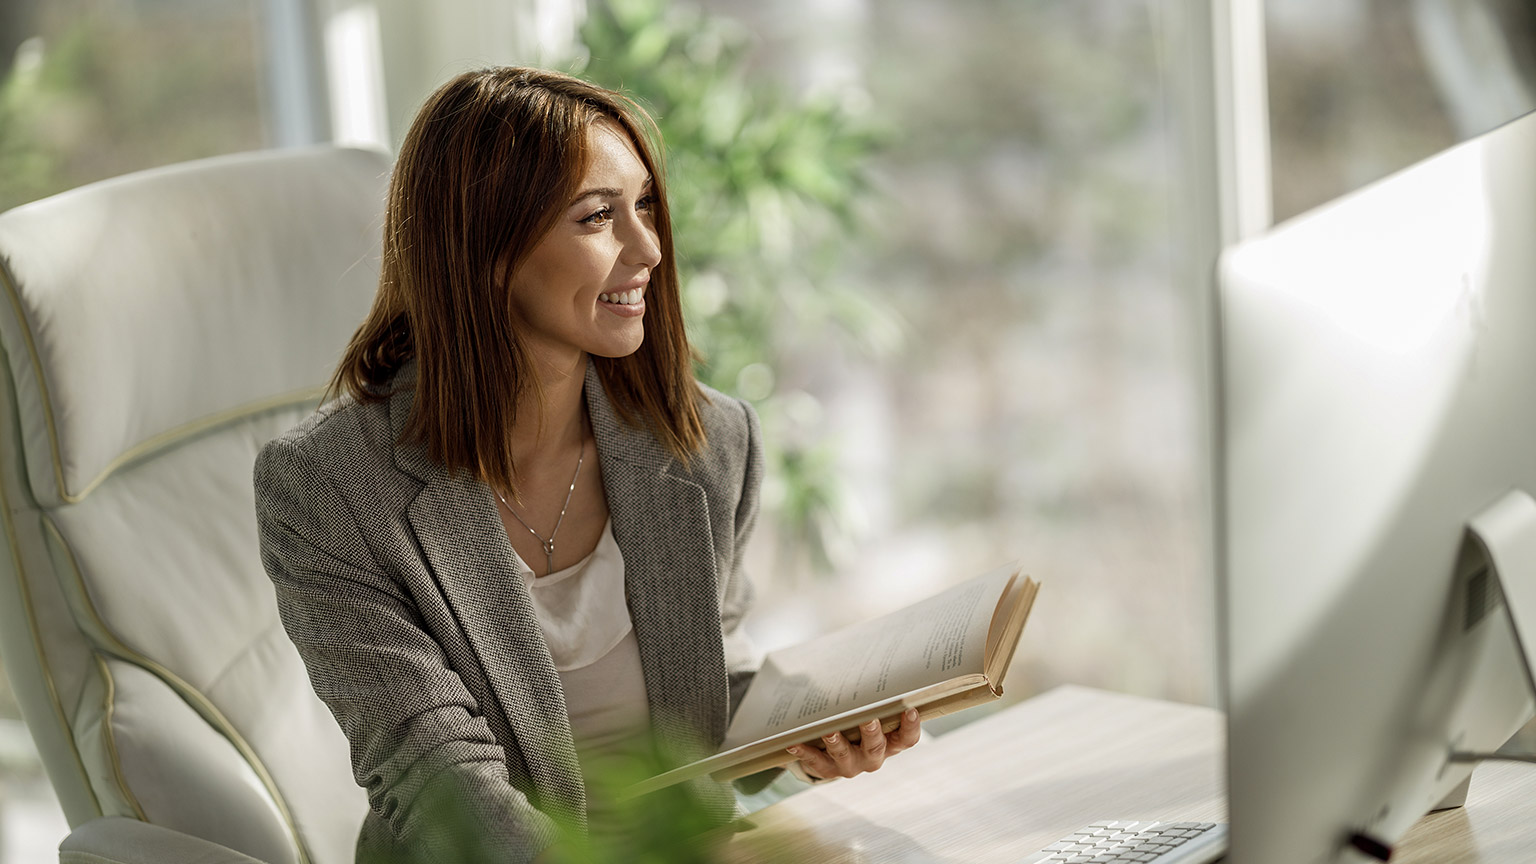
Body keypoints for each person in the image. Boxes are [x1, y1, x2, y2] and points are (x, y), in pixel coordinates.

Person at [252, 67, 920, 863]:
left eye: (644, 206)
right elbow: (437, 784)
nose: (650, 248)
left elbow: (709, 683)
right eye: (599, 216)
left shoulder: (707, 442)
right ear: (487, 250)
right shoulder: (328, 489)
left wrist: (810, 728)